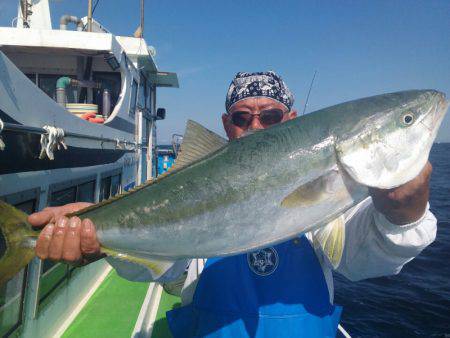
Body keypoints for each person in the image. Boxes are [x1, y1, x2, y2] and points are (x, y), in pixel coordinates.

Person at [29, 71, 437, 337]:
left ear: (291, 120)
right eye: (242, 118)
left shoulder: (338, 197)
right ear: (227, 126)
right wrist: (93, 233)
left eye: (271, 117)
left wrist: (403, 214)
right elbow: (171, 270)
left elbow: (365, 260)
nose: (255, 126)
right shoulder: (188, 186)